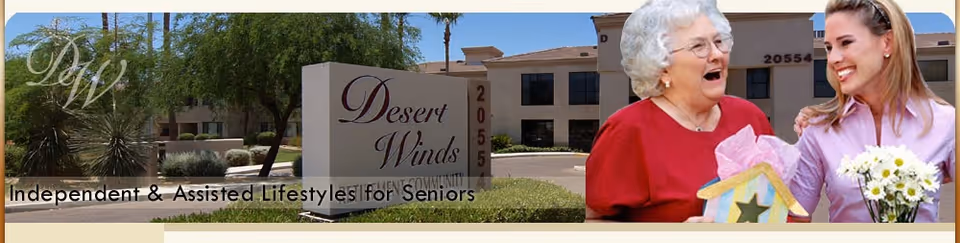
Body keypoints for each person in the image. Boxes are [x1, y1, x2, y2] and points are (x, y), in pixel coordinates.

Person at [585, 0, 774, 223]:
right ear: (662, 67)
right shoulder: (627, 130)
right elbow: (594, 222)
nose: (716, 55)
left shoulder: (749, 116)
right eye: (698, 46)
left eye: (718, 42)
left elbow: (779, 196)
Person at [788, 0, 955, 223]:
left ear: (887, 43)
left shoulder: (946, 123)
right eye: (829, 47)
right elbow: (794, 219)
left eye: (845, 43)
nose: (833, 59)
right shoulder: (817, 129)